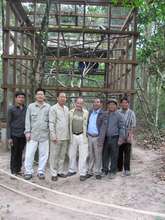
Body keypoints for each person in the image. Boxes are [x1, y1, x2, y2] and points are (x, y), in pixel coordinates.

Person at [24, 88, 50, 180]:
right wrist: (27, 132)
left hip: (44, 135)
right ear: (35, 96)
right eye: (38, 94)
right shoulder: (31, 106)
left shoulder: (48, 107)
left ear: (44, 96)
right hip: (33, 135)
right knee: (29, 154)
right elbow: (27, 120)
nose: (40, 96)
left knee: (44, 154)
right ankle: (28, 171)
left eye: (42, 94)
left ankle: (41, 172)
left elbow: (50, 121)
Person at [102, 98, 125, 179]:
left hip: (115, 138)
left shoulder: (119, 115)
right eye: (109, 104)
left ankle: (112, 171)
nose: (111, 106)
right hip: (105, 138)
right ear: (108, 106)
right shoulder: (105, 114)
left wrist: (121, 138)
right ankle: (105, 170)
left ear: (116, 106)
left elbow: (122, 128)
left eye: (113, 104)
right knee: (105, 155)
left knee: (114, 155)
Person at [49, 92, 69, 181]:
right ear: (57, 98)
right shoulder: (53, 108)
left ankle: (60, 171)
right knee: (54, 156)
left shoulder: (66, 109)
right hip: (56, 137)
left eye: (64, 97)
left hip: (65, 137)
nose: (63, 98)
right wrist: (53, 135)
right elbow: (51, 123)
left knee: (62, 156)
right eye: (61, 97)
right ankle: (53, 173)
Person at [67, 97, 89, 181]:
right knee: (71, 154)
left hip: (82, 136)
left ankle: (83, 173)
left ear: (83, 104)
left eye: (81, 103)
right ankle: (72, 170)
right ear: (75, 103)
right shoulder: (70, 112)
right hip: (73, 135)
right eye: (78, 103)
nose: (79, 105)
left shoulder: (86, 113)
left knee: (83, 155)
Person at [87, 98, 107, 180]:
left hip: (97, 137)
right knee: (90, 155)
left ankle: (98, 172)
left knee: (98, 155)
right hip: (89, 136)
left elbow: (103, 128)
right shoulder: (90, 112)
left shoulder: (103, 114)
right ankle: (90, 171)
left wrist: (101, 139)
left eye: (98, 102)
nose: (96, 103)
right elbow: (87, 123)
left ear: (100, 104)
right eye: (94, 102)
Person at [7, 92, 26, 176]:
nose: (21, 99)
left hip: (23, 135)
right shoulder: (11, 109)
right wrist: (9, 137)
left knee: (20, 153)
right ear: (15, 98)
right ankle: (13, 171)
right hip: (14, 135)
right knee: (14, 153)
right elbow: (8, 124)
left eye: (22, 97)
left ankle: (18, 169)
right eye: (19, 97)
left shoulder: (26, 108)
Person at [117, 97, 136, 176]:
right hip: (120, 135)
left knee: (127, 153)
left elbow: (133, 125)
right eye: (123, 102)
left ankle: (127, 170)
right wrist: (119, 137)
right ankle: (119, 168)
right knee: (119, 152)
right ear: (121, 104)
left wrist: (129, 135)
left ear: (128, 103)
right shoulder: (118, 112)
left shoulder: (131, 113)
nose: (124, 104)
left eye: (126, 102)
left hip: (128, 134)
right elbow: (116, 124)